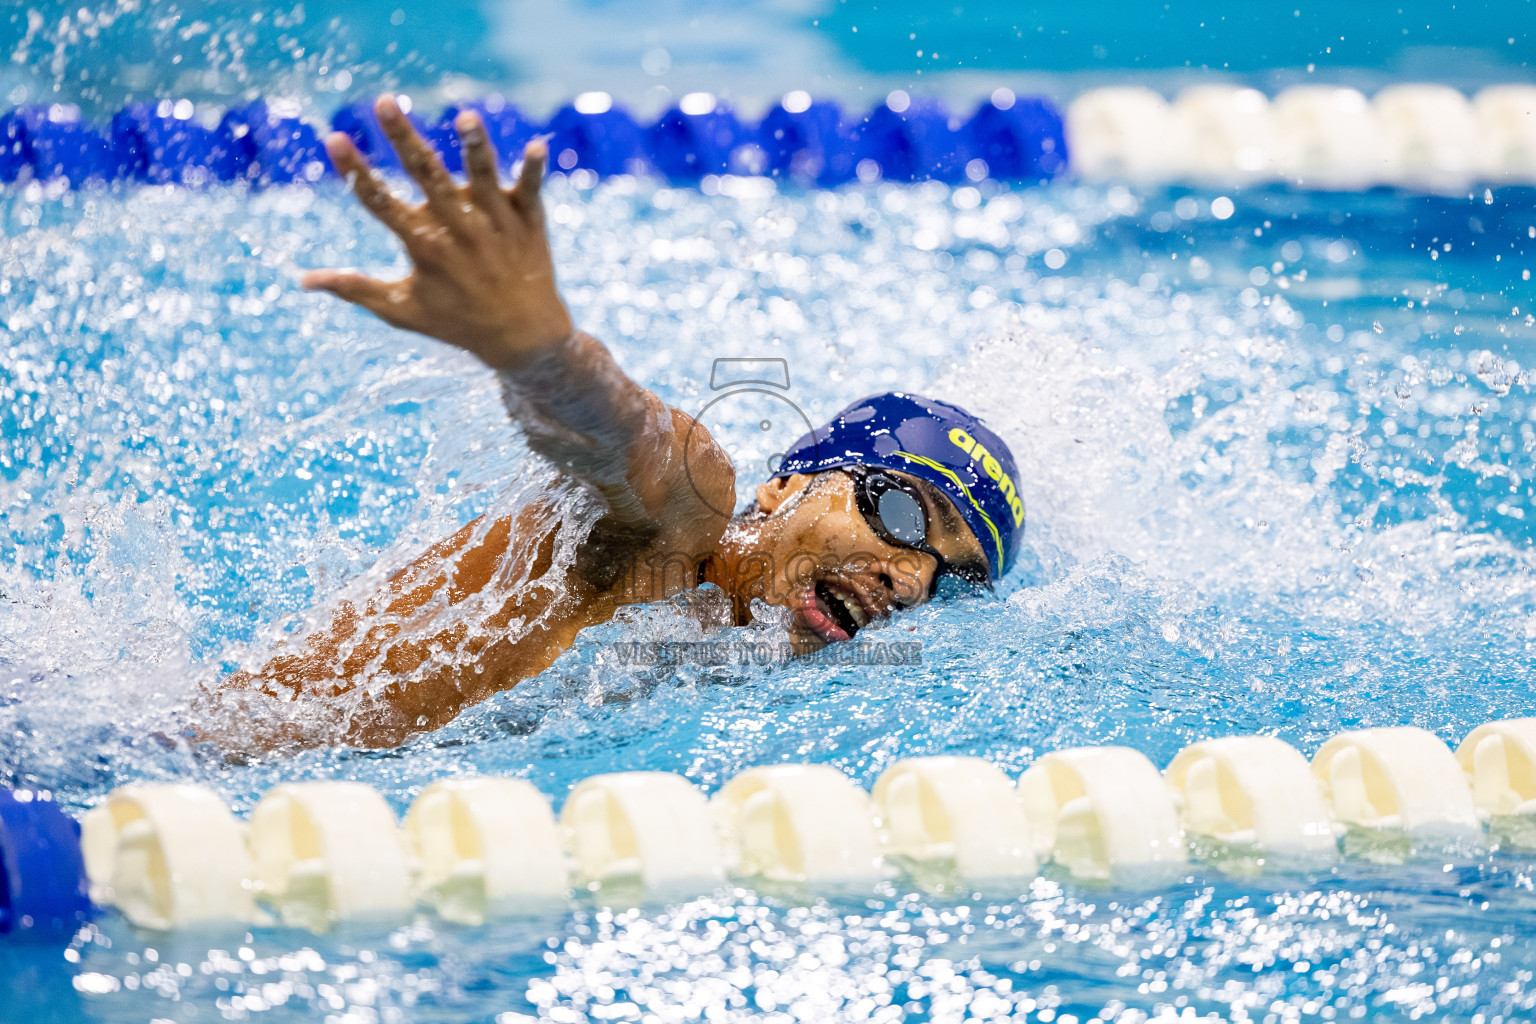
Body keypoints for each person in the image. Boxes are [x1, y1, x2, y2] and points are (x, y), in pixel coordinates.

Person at [205, 95, 1025, 751]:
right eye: (906, 512)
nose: (910, 580)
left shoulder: (725, 650)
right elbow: (615, 432)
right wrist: (536, 348)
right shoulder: (681, 523)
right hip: (203, 755)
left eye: (948, 577)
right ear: (784, 487)